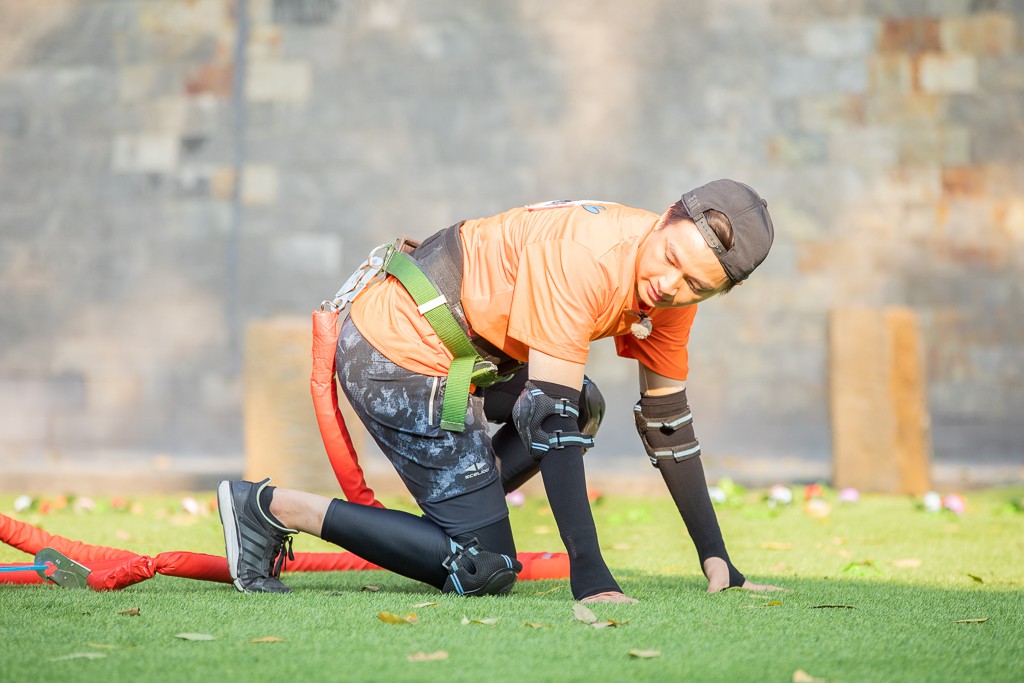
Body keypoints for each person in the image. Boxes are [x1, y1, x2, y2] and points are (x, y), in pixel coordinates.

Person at [218, 179, 782, 602]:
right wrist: (589, 573)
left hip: (466, 357)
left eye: (695, 287)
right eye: (671, 259)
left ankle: (464, 495)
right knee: (484, 565)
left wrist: (718, 559)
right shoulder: (587, 254)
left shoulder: (672, 294)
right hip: (395, 350)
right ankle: (266, 508)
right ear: (662, 219)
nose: (668, 285)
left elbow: (668, 424)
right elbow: (549, 420)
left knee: (584, 404)